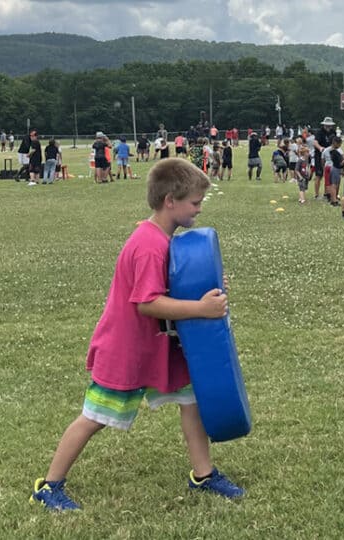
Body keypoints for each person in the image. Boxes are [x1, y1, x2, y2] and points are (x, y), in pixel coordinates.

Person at [29, 158, 244, 512]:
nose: (199, 209)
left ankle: (203, 474)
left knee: (192, 403)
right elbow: (147, 303)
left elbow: (171, 284)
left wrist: (209, 289)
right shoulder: (148, 244)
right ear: (170, 201)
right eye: (195, 202)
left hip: (161, 347)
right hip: (127, 349)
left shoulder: (163, 238)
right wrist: (200, 309)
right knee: (95, 417)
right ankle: (49, 486)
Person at [312, 117, 336, 200]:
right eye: (327, 125)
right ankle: (316, 194)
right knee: (319, 175)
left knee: (328, 175)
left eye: (330, 126)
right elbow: (315, 142)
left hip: (330, 156)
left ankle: (327, 193)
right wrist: (320, 148)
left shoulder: (333, 132)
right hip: (320, 156)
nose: (328, 127)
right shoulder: (319, 132)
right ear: (324, 125)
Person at [327, 136, 344, 207]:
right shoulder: (334, 152)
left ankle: (334, 199)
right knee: (334, 185)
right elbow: (340, 163)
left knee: (335, 185)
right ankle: (334, 200)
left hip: (336, 169)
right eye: (339, 144)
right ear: (335, 143)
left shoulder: (335, 151)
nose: (340, 145)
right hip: (335, 169)